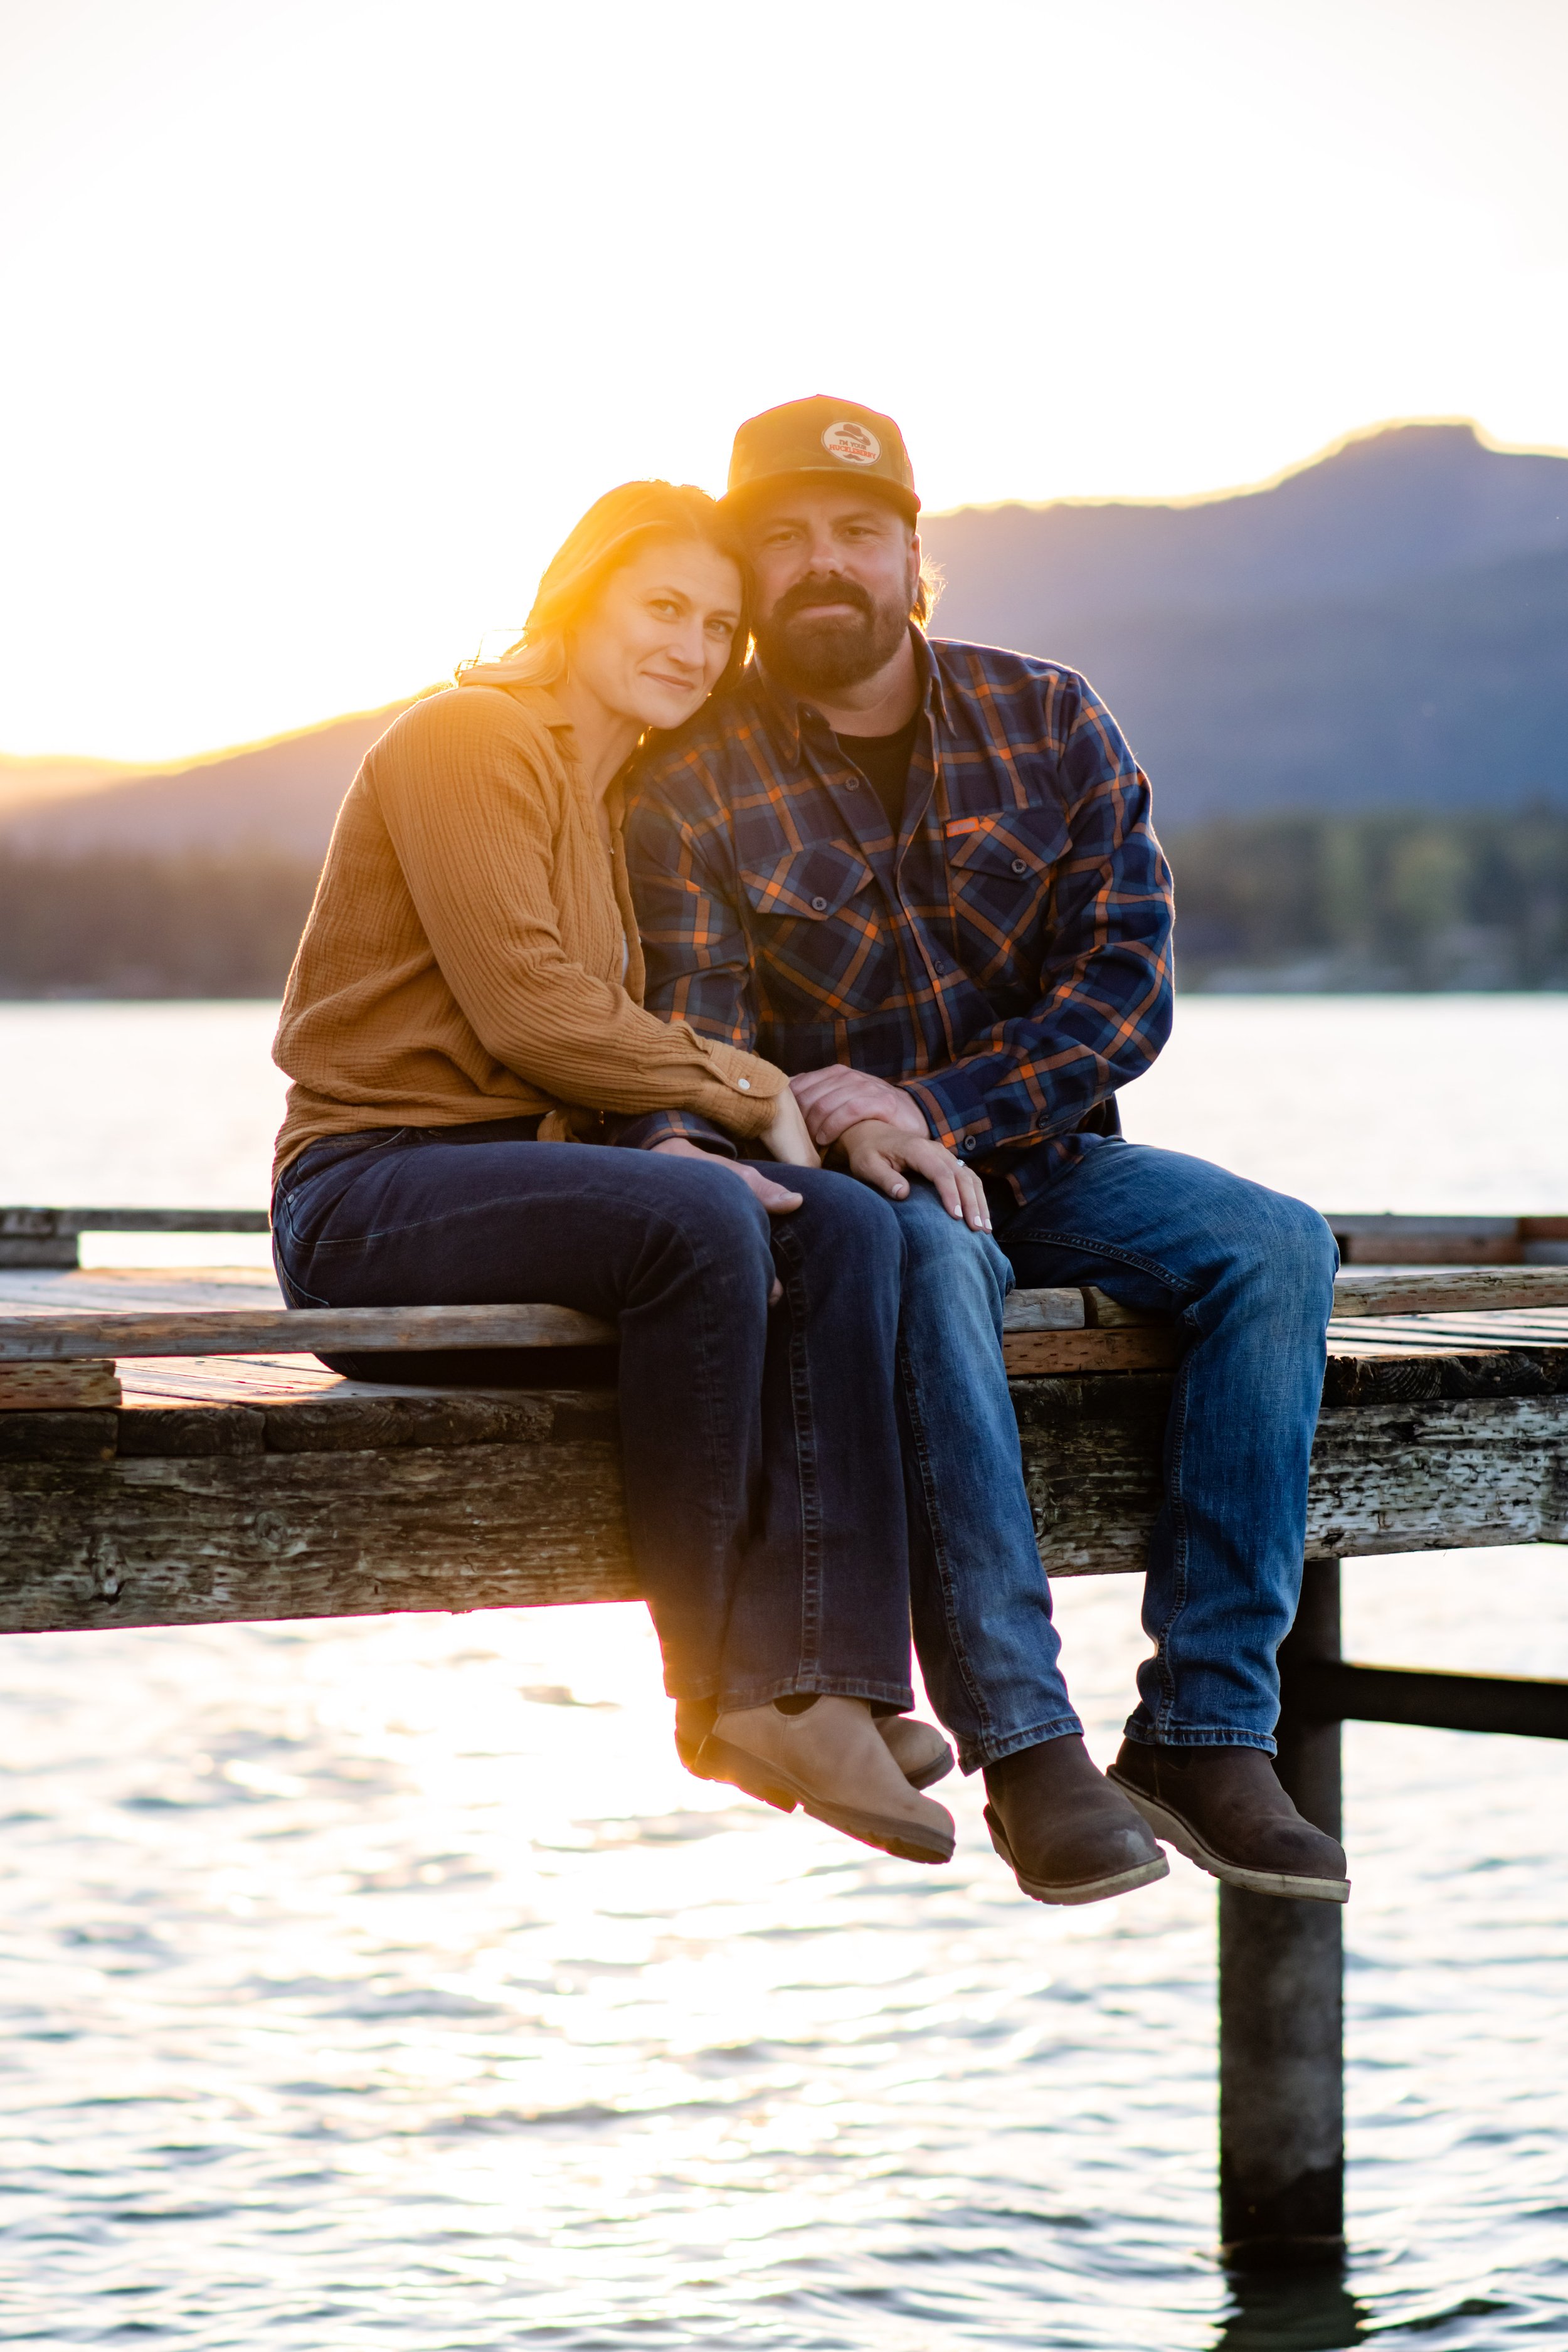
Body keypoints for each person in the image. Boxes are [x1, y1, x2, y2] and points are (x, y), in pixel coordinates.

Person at [622, 397, 1350, 1907]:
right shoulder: (687, 779)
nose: (823, 564)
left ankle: (1209, 1729)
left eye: (855, 533)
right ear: (749, 572)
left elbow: (1122, 986)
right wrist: (831, 1126)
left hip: (1048, 1160)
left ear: (910, 552)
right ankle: (1025, 1749)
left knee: (1275, 1244)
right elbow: (687, 1042)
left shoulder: (1049, 715)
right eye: (782, 540)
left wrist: (931, 1110)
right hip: (857, 1202)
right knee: (933, 1265)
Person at [268, 479, 972, 1870]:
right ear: (576, 598)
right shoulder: (471, 739)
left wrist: (718, 1119)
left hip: (530, 1194)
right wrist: (745, 1090)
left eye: (718, 626)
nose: (695, 648)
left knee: (843, 1225)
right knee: (708, 1212)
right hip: (367, 1201)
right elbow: (530, 1010)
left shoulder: (607, 797)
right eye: (662, 608)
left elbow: (604, 1055)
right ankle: (726, 1691)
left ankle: (830, 1673)